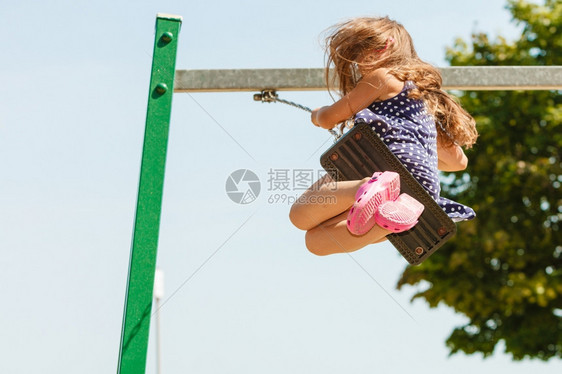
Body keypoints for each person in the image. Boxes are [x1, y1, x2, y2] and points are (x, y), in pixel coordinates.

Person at [289, 16, 478, 256]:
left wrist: (316, 115)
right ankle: (389, 218)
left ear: (384, 47)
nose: (358, 64)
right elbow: (459, 162)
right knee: (315, 243)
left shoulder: (382, 78)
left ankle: (367, 187)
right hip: (422, 194)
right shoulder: (426, 104)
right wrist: (423, 153)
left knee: (299, 215)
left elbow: (329, 118)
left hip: (378, 167)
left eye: (360, 55)